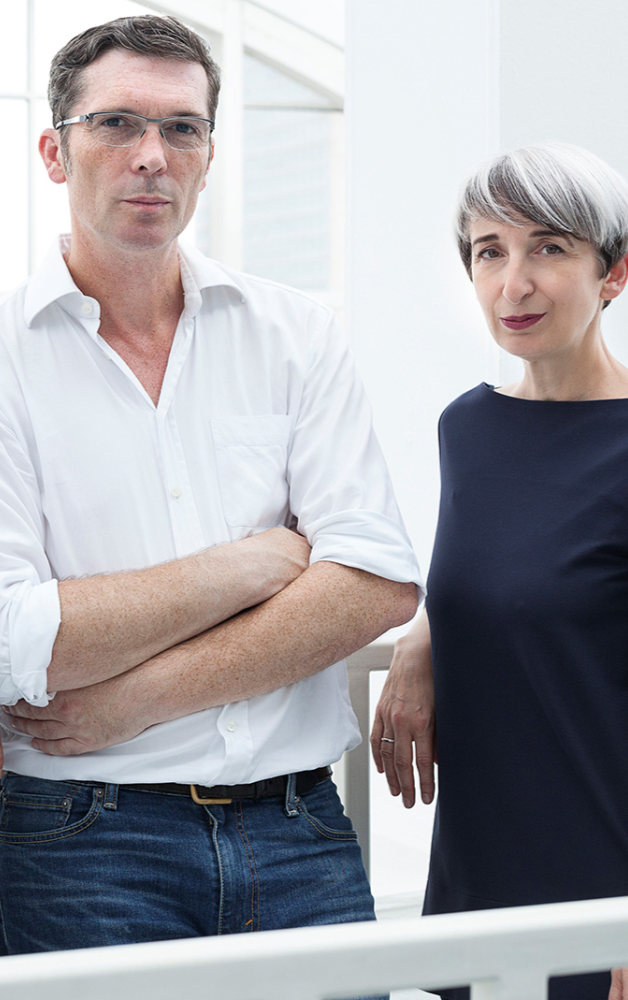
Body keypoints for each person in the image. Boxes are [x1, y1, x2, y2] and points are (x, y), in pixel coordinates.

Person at [0, 15, 420, 958]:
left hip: (301, 830)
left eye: (181, 128)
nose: (152, 154)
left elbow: (377, 579)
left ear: (209, 153)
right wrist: (254, 564)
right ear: (55, 153)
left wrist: (132, 702)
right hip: (85, 843)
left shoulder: (295, 334)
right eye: (116, 124)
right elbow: (12, 647)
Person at [370, 142, 628, 1000]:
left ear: (614, 274)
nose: (513, 283)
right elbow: (499, 575)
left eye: (549, 248)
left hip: (605, 891)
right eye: (490, 251)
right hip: (479, 880)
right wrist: (421, 636)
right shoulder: (467, 429)